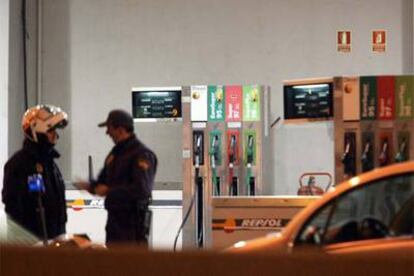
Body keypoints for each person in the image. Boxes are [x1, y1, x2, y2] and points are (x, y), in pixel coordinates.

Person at [76, 109, 157, 246]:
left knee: (131, 265)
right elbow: (104, 181)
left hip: (133, 225)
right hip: (115, 222)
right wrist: (91, 187)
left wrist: (109, 191)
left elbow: (141, 189)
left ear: (120, 130)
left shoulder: (141, 155)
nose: (107, 133)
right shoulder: (115, 154)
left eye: (109, 128)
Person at [2, 105, 68, 240]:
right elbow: (13, 207)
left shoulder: (50, 163)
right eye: (51, 130)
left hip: (55, 239)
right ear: (37, 132)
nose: (56, 135)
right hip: (31, 244)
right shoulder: (19, 164)